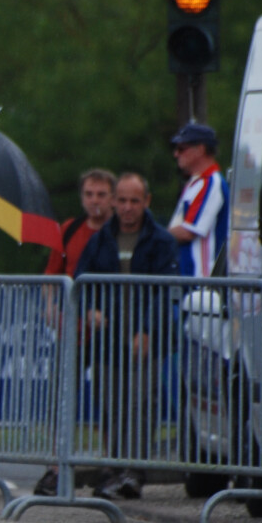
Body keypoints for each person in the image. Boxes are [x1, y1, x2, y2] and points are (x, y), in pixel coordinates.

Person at [75, 171, 177, 500]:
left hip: (144, 338)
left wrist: (147, 330)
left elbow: (164, 292)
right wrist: (89, 309)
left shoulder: (161, 241)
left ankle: (135, 469)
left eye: (134, 200)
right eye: (121, 200)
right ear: (114, 203)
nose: (127, 207)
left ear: (146, 202)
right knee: (110, 404)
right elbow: (81, 281)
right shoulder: (101, 238)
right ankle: (116, 468)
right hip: (107, 340)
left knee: (141, 403)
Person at [33, 168, 116, 496]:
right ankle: (56, 465)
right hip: (73, 330)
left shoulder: (118, 231)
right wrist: (51, 306)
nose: (94, 201)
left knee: (111, 397)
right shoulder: (70, 230)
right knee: (60, 396)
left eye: (101, 195)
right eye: (89, 195)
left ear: (110, 198)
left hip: (108, 330)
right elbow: (51, 274)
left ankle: (111, 465)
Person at [166, 122, 229, 279]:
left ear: (200, 149)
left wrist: (155, 235)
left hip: (201, 283)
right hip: (187, 279)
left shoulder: (210, 182)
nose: (176, 154)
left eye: (181, 149)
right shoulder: (195, 183)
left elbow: (188, 231)